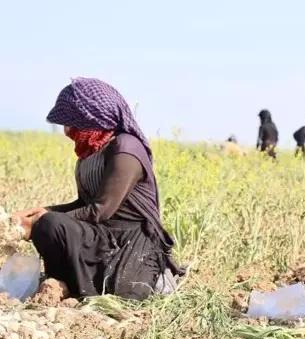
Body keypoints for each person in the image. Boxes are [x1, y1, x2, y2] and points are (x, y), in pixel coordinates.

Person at [12, 77, 183, 301]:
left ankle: (92, 286)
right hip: (99, 234)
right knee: (49, 224)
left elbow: (101, 210)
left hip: (128, 242)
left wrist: (43, 218)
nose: (66, 131)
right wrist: (38, 212)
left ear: (93, 118)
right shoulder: (89, 153)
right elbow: (83, 205)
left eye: (72, 122)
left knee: (48, 222)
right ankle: (62, 285)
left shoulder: (126, 149)